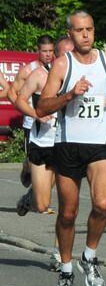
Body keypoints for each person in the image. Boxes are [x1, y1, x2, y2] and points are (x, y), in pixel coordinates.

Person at [36, 11, 106, 286]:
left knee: (102, 204)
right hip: (68, 145)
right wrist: (70, 94)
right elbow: (42, 107)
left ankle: (89, 256)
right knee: (68, 213)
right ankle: (65, 272)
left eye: (89, 29)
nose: (85, 34)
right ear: (70, 34)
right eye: (79, 30)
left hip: (100, 143)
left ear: (94, 31)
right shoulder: (63, 64)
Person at [14, 36, 75, 273]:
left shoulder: (78, 77)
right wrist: (36, 114)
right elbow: (19, 99)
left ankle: (59, 255)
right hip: (42, 143)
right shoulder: (39, 75)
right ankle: (29, 199)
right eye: (64, 55)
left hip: (66, 145)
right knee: (42, 204)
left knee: (66, 205)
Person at [11, 35, 57, 196]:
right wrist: (25, 108)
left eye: (51, 51)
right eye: (44, 51)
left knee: (54, 164)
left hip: (51, 125)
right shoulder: (28, 70)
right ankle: (27, 166)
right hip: (31, 122)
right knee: (33, 162)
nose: (48, 54)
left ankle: (36, 195)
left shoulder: (57, 69)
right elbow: (12, 92)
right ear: (38, 51)